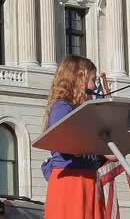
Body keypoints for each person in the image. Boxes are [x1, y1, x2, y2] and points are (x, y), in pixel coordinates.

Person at [41, 55, 115, 219]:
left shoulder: (86, 112)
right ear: (78, 78)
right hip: (71, 181)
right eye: (93, 80)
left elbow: (112, 155)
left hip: (87, 179)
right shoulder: (62, 107)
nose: (95, 87)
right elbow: (67, 144)